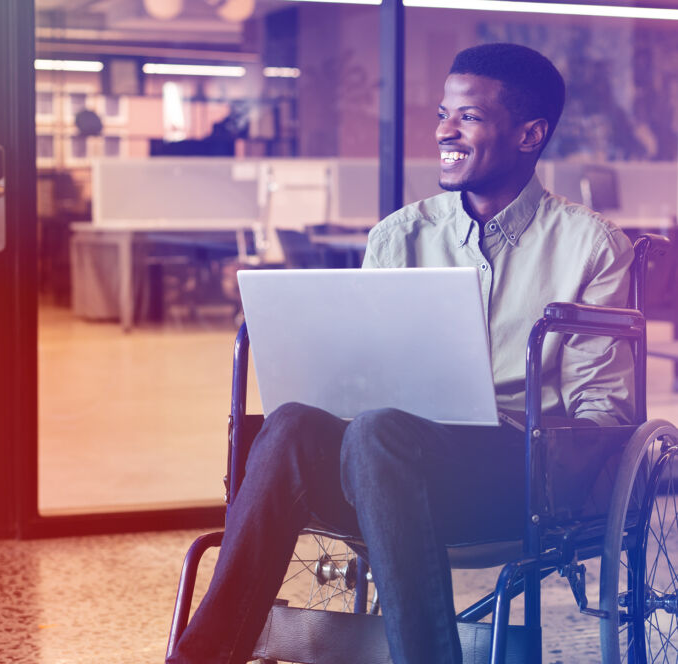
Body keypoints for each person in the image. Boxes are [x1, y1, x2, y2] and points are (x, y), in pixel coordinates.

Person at [166, 43, 634, 664]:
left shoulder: (591, 248)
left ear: (529, 134)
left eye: (467, 116)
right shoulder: (400, 234)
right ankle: (202, 656)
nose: (444, 130)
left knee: (379, 433)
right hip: (385, 466)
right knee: (290, 425)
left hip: (519, 475)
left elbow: (601, 416)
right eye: (444, 113)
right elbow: (361, 375)